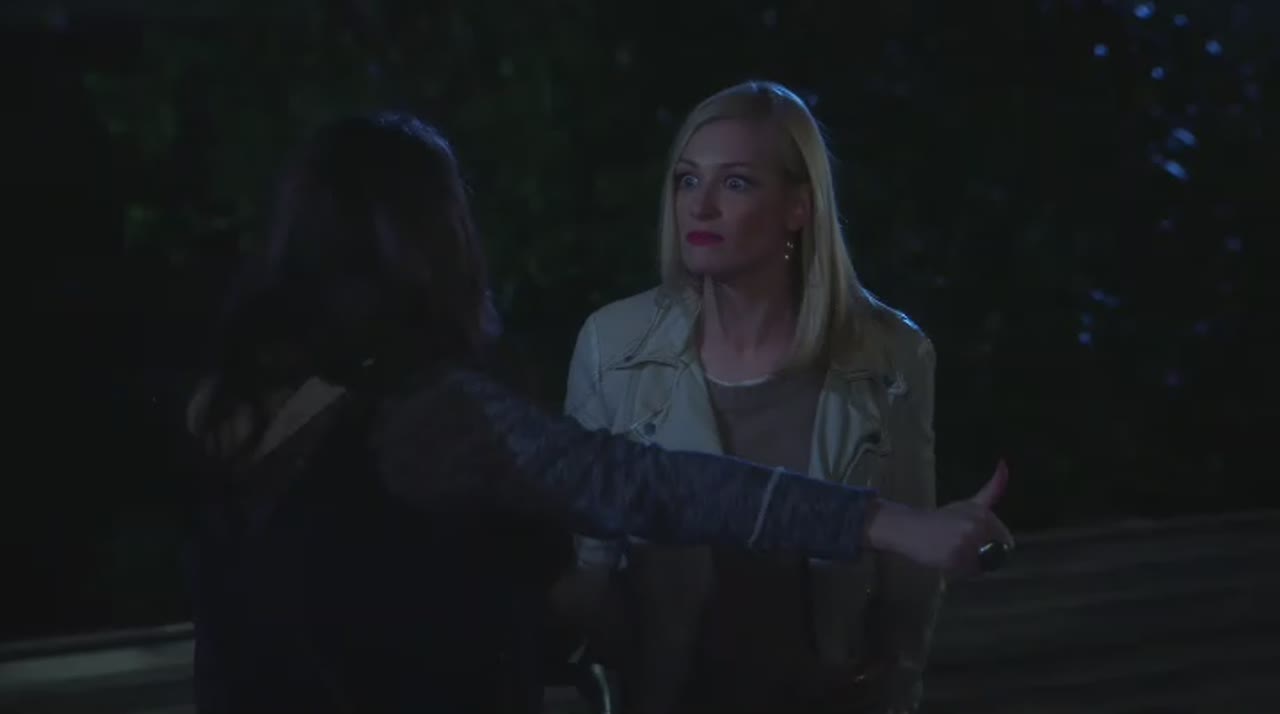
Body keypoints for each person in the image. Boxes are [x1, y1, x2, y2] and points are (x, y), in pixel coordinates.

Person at [184, 111, 1012, 714]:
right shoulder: (432, 419)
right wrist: (887, 522)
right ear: (431, 241)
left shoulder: (234, 406)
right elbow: (648, 487)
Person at [554, 80, 962, 713]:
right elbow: (586, 567)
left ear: (798, 206)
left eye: (736, 183)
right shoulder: (614, 347)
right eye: (688, 180)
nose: (701, 206)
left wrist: (891, 696)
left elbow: (907, 583)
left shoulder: (888, 355)